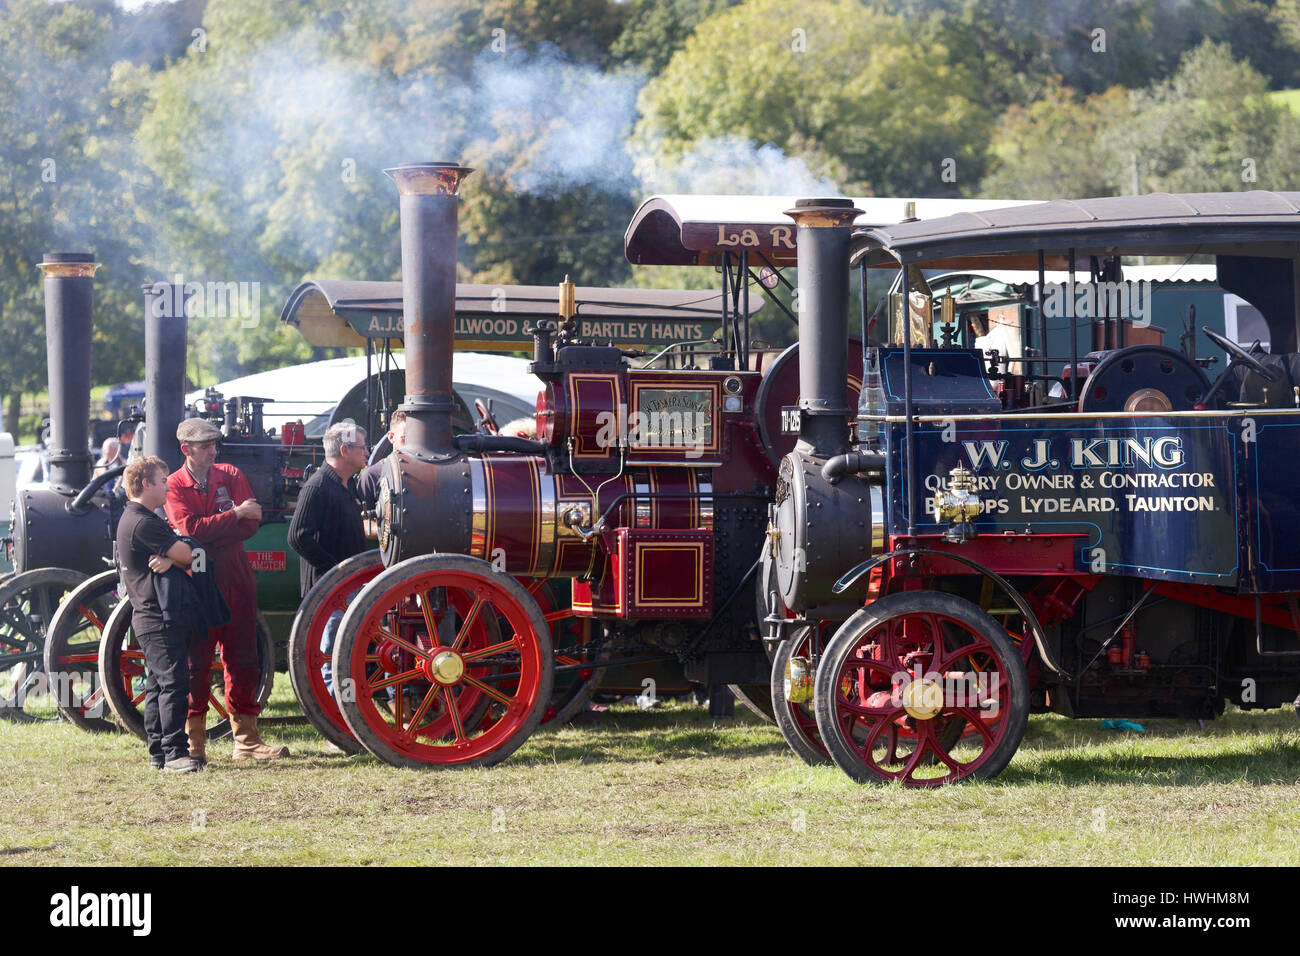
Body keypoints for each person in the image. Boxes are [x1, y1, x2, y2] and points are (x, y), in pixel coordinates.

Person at [165, 417, 289, 760]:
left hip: (235, 574)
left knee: (244, 657)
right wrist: (233, 515)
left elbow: (252, 525)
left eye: (214, 445)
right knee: (196, 662)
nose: (212, 451)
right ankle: (194, 745)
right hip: (198, 579)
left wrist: (217, 527)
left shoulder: (231, 474)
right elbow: (190, 529)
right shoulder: (174, 485)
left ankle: (246, 742)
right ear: (186, 450)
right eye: (205, 447)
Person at [116, 456, 201, 773]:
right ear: (146, 483)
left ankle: (158, 754)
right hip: (160, 615)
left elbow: (178, 554)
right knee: (174, 684)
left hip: (149, 616)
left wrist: (172, 557)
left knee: (156, 686)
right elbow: (188, 553)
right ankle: (175, 753)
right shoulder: (144, 522)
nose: (167, 485)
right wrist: (176, 555)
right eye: (163, 480)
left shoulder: (132, 519)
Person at [288, 422, 368, 699]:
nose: (367, 452)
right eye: (362, 447)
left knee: (346, 654)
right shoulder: (317, 486)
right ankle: (332, 716)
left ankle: (344, 714)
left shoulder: (346, 486)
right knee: (331, 654)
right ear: (345, 450)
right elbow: (298, 537)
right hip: (330, 589)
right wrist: (335, 569)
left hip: (346, 587)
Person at [355, 410, 406, 510]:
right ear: (391, 437)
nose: (411, 445)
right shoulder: (371, 476)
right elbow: (365, 522)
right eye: (405, 438)